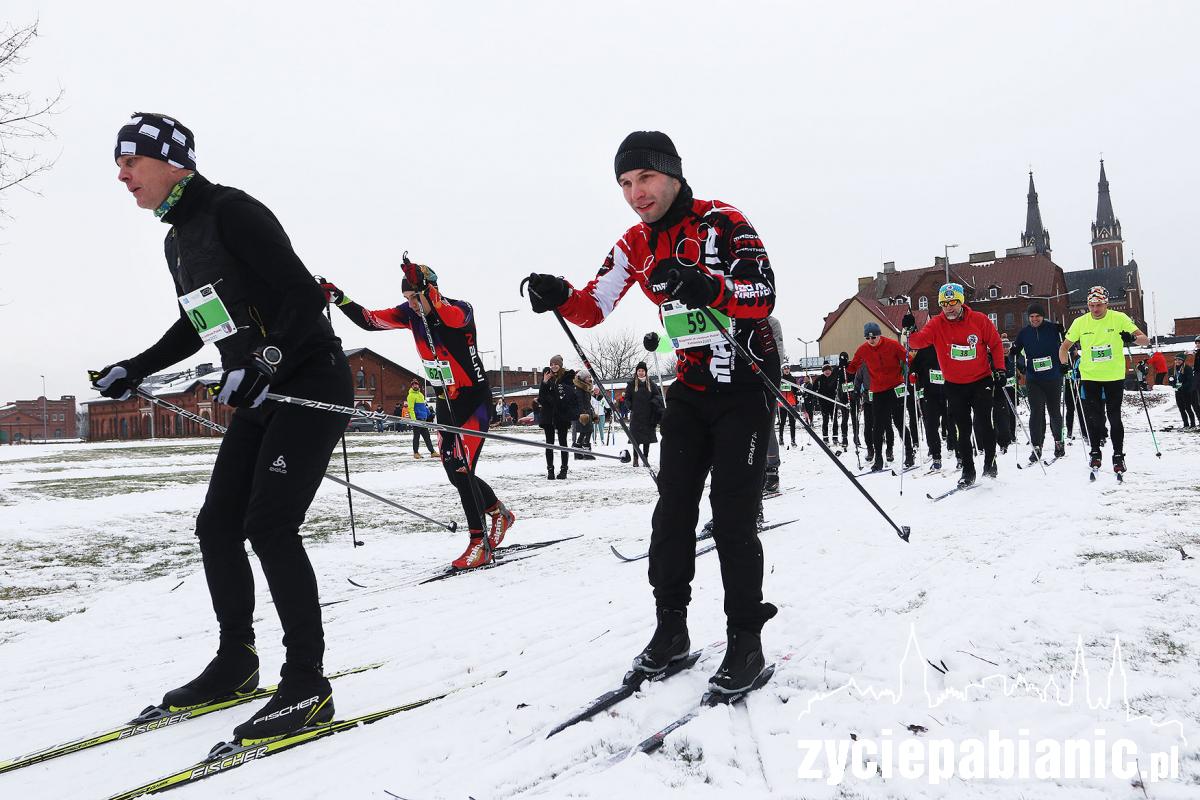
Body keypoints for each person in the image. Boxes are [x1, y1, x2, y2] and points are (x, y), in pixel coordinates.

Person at [95, 113, 351, 744]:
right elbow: (197, 322)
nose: (123, 175)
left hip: (309, 380)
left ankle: (306, 686)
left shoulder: (233, 210)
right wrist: (136, 367)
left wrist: (267, 361)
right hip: (260, 393)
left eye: (130, 161)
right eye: (119, 165)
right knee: (217, 525)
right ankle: (237, 662)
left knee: (269, 524)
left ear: (170, 161)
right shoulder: (177, 238)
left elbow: (301, 295)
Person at [524, 130, 779, 694]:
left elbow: (762, 294)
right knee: (671, 514)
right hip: (688, 389)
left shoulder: (724, 221)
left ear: (673, 174)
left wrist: (705, 284)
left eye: (644, 179)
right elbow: (592, 307)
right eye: (624, 183)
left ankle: (746, 640)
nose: (636, 193)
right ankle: (672, 631)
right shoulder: (634, 245)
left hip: (744, 382)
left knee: (733, 515)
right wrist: (558, 293)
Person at [321, 262, 515, 568]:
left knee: (462, 470)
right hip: (444, 403)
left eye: (416, 296)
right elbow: (371, 321)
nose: (412, 304)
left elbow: (449, 317)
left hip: (472, 402)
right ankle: (498, 512)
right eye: (408, 298)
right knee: (454, 471)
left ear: (430, 290)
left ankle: (480, 543)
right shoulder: (411, 314)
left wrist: (427, 293)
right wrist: (340, 299)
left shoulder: (460, 310)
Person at [904, 283, 1005, 487]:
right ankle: (968, 470)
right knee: (961, 428)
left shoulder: (979, 320)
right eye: (944, 304)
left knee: (984, 423)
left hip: (981, 380)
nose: (948, 308)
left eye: (952, 303)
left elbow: (995, 344)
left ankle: (990, 462)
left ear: (961, 302)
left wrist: (1000, 369)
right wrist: (910, 330)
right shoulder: (936, 324)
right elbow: (917, 342)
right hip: (955, 385)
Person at [1059, 285, 1149, 473]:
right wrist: (1064, 365)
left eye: (1099, 305)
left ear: (1106, 304)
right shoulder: (1080, 322)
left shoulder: (1119, 318)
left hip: (1114, 376)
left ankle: (1118, 455)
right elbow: (1064, 348)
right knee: (1094, 417)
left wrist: (1130, 338)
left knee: (1114, 416)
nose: (1095, 309)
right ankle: (1095, 452)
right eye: (1092, 305)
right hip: (1090, 376)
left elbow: (1145, 340)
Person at [847, 322, 914, 471]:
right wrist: (846, 365)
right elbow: (853, 368)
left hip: (895, 388)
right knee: (877, 427)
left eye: (874, 337)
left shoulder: (892, 345)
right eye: (867, 337)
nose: (871, 340)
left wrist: (911, 371)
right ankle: (878, 458)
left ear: (879, 335)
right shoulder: (863, 349)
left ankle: (909, 453)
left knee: (899, 422)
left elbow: (908, 358)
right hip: (877, 391)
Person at [1010, 303, 1066, 462]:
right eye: (1032, 317)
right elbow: (1016, 351)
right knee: (1036, 412)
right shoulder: (1024, 333)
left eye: (1038, 316)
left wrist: (1064, 333)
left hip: (1053, 377)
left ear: (1043, 316)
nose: (1034, 319)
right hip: (1034, 379)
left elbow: (1067, 346)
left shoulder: (1053, 329)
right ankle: (1036, 445)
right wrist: (1015, 355)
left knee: (1054, 411)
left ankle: (1058, 442)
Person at [911, 344, 954, 471]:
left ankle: (958, 453)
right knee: (931, 425)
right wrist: (913, 374)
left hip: (949, 391)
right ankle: (936, 456)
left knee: (952, 423)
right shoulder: (925, 349)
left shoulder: (948, 343)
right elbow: (915, 366)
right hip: (930, 393)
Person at [537, 356, 578, 479]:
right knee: (549, 444)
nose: (553, 366)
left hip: (561, 414)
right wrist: (545, 382)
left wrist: (552, 395)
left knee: (562, 443)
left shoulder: (566, 378)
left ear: (560, 365)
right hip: (548, 415)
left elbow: (566, 396)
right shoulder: (546, 376)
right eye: (551, 364)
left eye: (556, 364)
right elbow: (541, 397)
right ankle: (550, 470)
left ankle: (564, 469)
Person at [625, 362, 664, 467]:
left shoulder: (651, 384)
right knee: (635, 439)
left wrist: (654, 402)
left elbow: (658, 396)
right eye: (639, 371)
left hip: (648, 415)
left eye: (642, 371)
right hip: (636, 416)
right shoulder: (631, 384)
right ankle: (636, 458)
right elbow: (627, 398)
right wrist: (630, 406)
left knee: (647, 439)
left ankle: (645, 458)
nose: (641, 372)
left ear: (645, 372)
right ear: (636, 372)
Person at [406, 378, 436, 458]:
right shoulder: (410, 396)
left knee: (427, 437)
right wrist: (414, 420)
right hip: (417, 420)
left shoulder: (421, 395)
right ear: (411, 386)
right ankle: (416, 453)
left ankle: (432, 452)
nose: (415, 385)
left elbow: (424, 407)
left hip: (423, 420)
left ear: (418, 385)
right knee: (416, 437)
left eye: (416, 384)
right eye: (413, 384)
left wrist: (430, 414)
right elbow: (410, 409)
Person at [832, 351, 854, 450]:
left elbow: (856, 378)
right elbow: (833, 380)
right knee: (845, 418)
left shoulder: (851, 367)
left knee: (854, 418)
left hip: (852, 395)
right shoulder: (837, 369)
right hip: (842, 396)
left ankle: (856, 437)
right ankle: (844, 438)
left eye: (845, 358)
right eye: (842, 358)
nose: (843, 360)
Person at [1168, 354, 1196, 428]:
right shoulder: (1172, 369)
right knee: (1181, 408)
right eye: (1176, 360)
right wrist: (1173, 384)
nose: (1177, 361)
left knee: (1188, 408)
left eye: (1179, 360)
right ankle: (1185, 424)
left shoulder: (1187, 368)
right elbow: (1170, 380)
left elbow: (1190, 380)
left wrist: (1182, 386)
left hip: (1186, 391)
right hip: (1178, 391)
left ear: (1182, 361)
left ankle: (1193, 424)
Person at [815, 363, 840, 444]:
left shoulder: (834, 378)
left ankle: (835, 437)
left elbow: (839, 387)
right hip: (823, 402)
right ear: (823, 371)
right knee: (825, 419)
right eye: (825, 370)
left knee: (834, 420)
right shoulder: (819, 379)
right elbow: (814, 389)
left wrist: (838, 392)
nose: (827, 372)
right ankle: (825, 437)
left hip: (833, 402)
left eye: (828, 370)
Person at [778, 365, 799, 446]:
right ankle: (781, 438)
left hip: (791, 403)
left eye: (788, 369)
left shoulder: (793, 379)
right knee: (782, 422)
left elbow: (796, 389)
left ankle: (793, 440)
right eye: (785, 369)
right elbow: (777, 388)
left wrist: (798, 392)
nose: (786, 370)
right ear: (782, 370)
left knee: (792, 423)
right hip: (782, 403)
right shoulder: (780, 378)